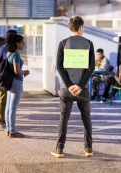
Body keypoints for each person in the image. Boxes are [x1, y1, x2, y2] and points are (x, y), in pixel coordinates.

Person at [50, 16, 95, 158]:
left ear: (70, 28)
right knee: (86, 117)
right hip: (83, 89)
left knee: (64, 117)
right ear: (81, 27)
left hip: (66, 89)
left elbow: (59, 65)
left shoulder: (63, 43)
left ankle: (59, 149)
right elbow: (91, 67)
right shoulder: (89, 43)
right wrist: (80, 85)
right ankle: (88, 149)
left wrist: (69, 85)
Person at [5, 33, 30, 138]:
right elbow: (17, 71)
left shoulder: (8, 54)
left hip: (10, 82)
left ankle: (9, 129)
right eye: (22, 42)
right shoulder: (15, 55)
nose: (23, 44)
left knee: (9, 107)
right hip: (16, 82)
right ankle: (13, 132)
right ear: (17, 43)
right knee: (13, 108)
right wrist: (25, 72)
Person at [0, 29, 17, 131]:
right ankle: (0, 122)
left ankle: (0, 120)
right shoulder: (10, 49)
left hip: (0, 76)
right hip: (6, 76)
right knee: (3, 99)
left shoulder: (2, 47)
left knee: (0, 98)